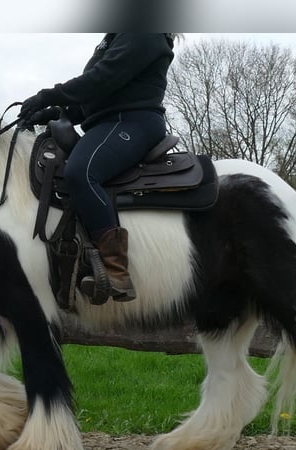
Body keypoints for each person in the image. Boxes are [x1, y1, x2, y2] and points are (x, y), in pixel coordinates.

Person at [18, 33, 177, 303]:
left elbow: (102, 78)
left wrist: (47, 96)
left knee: (81, 172)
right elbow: (93, 98)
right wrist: (56, 112)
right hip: (107, 123)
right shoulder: (114, 36)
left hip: (132, 121)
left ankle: (117, 272)